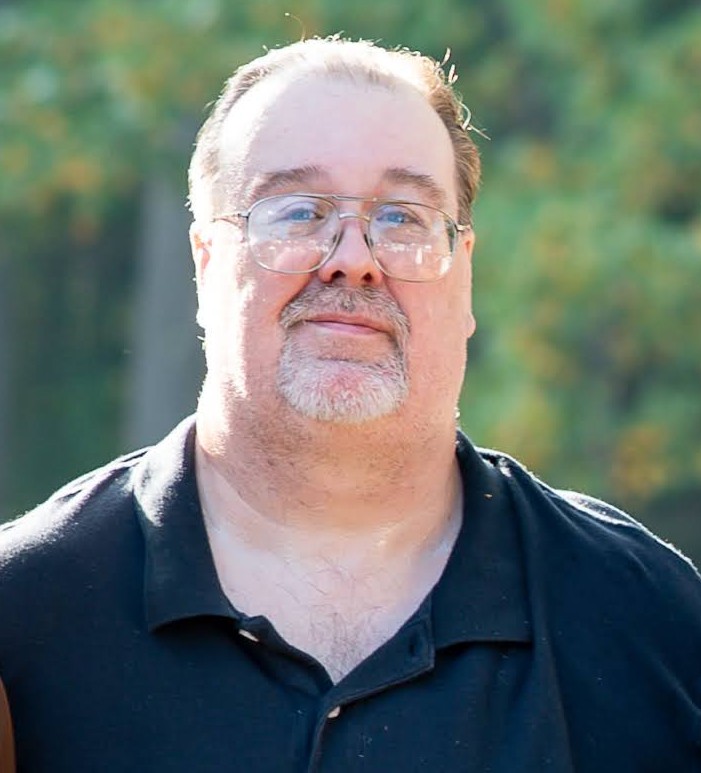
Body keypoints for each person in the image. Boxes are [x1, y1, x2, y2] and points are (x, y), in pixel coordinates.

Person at [1, 36, 700, 772]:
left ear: (464, 275)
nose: (354, 258)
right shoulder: (28, 617)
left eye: (402, 217)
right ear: (205, 264)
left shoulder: (649, 623)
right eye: (298, 211)